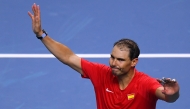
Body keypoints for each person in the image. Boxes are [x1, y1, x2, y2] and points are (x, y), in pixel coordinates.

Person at [28, 3, 180, 109]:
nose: (113, 63)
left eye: (120, 60)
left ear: (134, 62)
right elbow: (68, 57)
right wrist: (41, 35)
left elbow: (167, 97)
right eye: (112, 57)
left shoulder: (146, 83)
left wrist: (174, 93)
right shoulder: (101, 73)